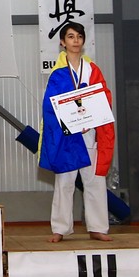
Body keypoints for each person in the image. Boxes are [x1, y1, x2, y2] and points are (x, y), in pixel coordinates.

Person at [38, 21, 114, 243]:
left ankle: (98, 227)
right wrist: (71, 121)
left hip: (90, 132)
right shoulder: (57, 74)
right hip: (67, 136)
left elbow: (104, 97)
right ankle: (60, 228)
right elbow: (50, 105)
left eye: (79, 37)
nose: (76, 41)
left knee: (95, 181)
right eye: (71, 37)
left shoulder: (92, 70)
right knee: (65, 182)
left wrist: (91, 118)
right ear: (63, 42)